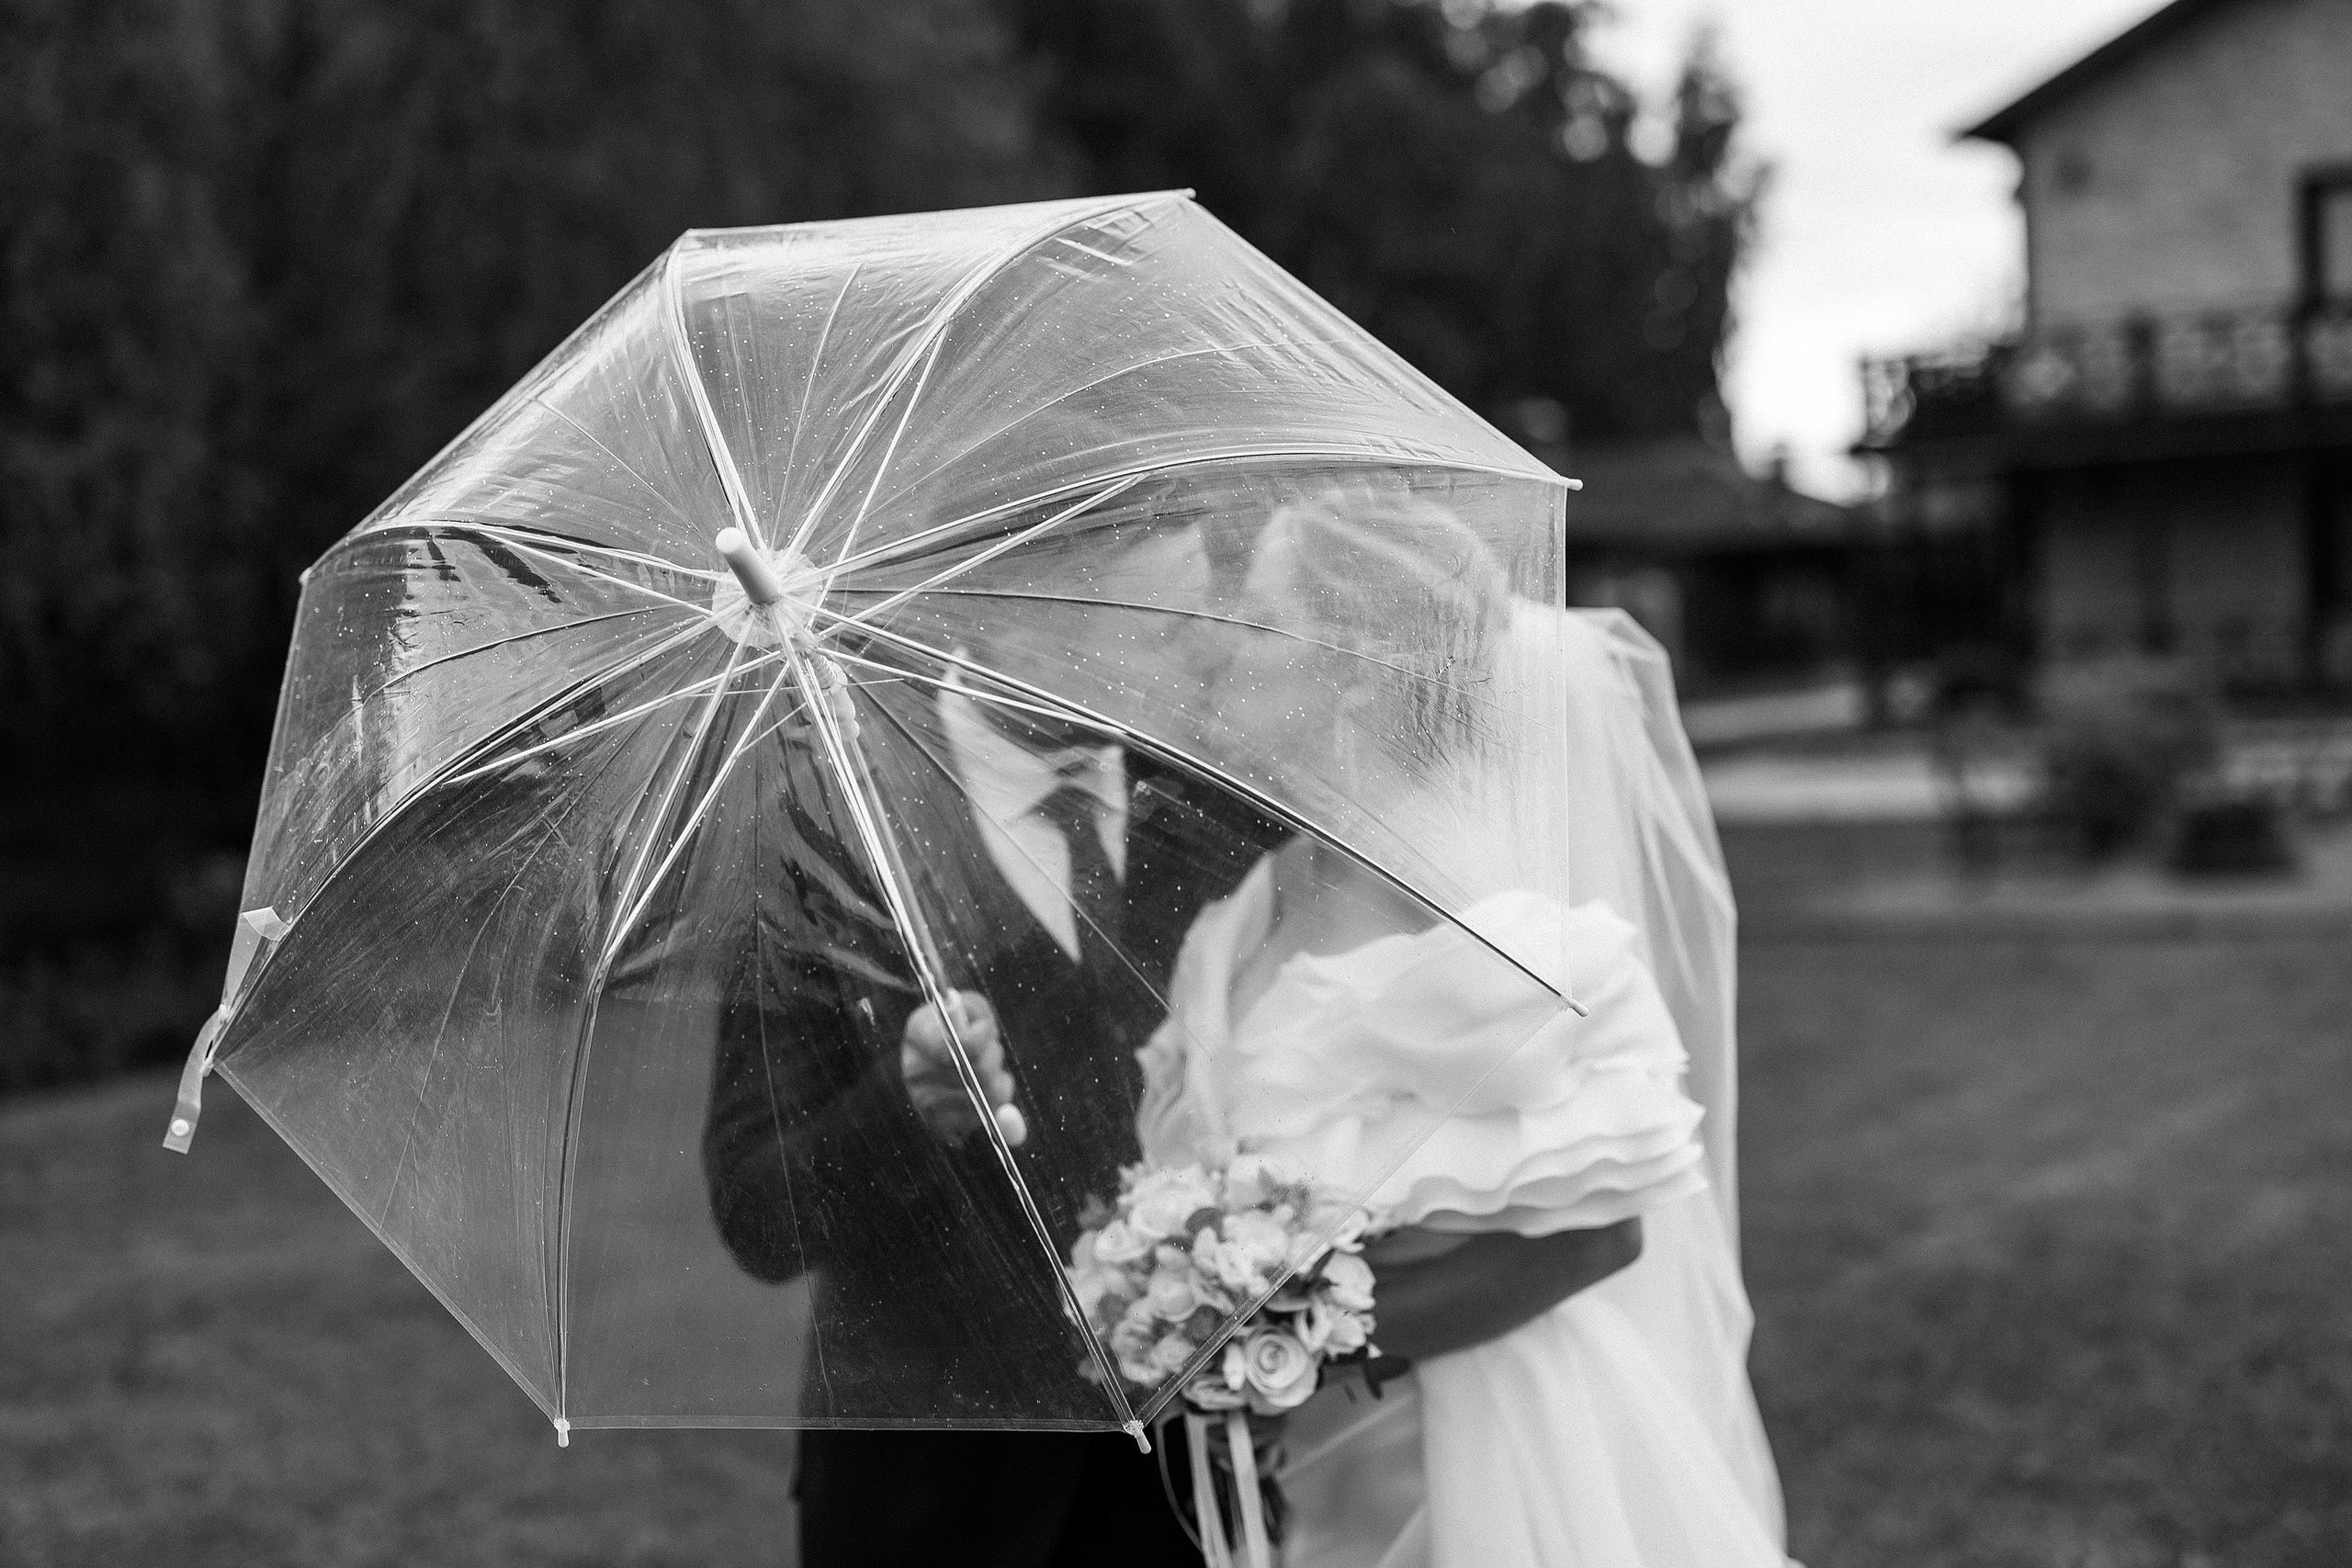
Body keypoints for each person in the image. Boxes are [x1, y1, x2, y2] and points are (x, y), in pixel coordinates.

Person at [1134, 487, 1794, 1567]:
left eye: (1254, 616)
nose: (1214, 648)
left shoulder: (1467, 911)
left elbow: (1598, 1237)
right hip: (1307, 1462)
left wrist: (1269, 1342)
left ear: (1348, 666)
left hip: (1464, 1461)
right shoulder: (1260, 893)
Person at [700, 508, 1278, 1568]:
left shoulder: (1228, 802)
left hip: (1203, 1478)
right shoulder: (823, 831)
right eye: (1164, 622)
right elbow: (755, 1212)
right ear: (1016, 625)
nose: (1211, 645)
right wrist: (908, 1110)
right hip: (937, 1495)